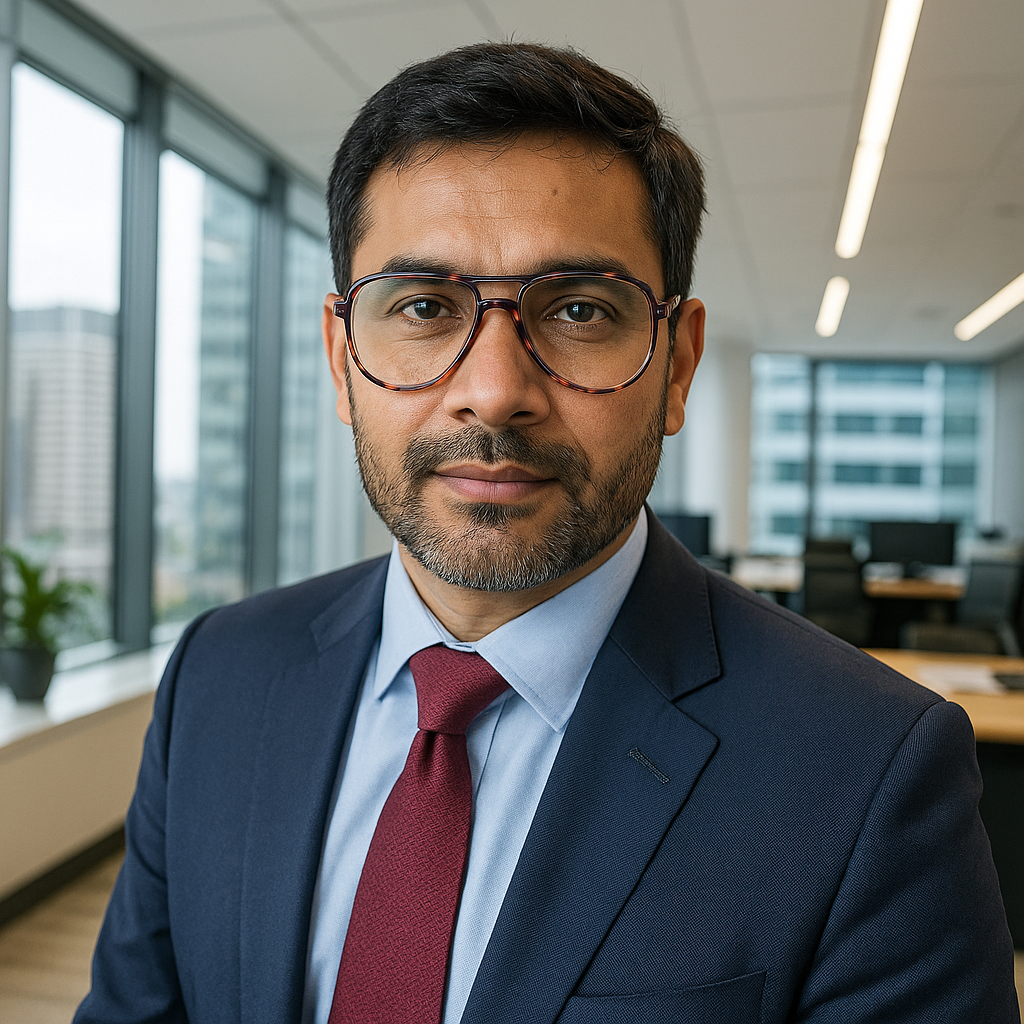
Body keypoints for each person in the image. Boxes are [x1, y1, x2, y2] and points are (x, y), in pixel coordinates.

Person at [75, 42, 1018, 1024]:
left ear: (677, 362)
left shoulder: (867, 767)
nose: (493, 389)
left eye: (576, 309)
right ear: (342, 355)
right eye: (424, 306)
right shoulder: (220, 675)